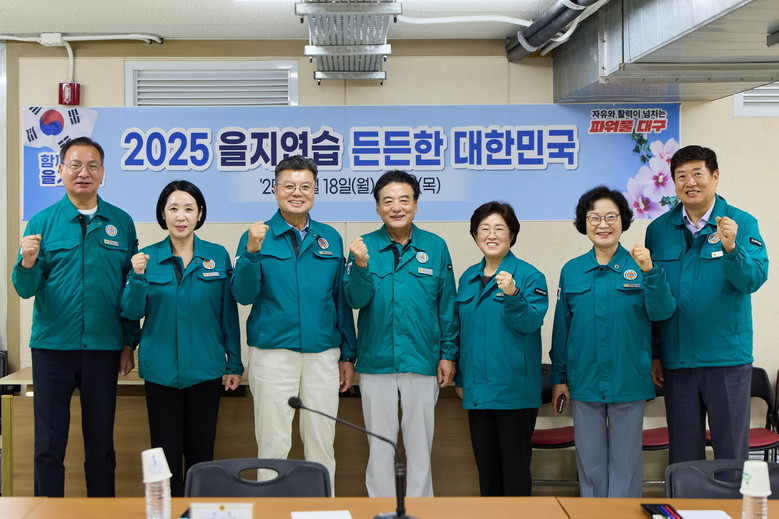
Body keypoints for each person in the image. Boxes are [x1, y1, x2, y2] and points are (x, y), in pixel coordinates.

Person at [12, 136, 137, 497]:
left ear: (103, 173)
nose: (84, 173)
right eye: (76, 165)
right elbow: (25, 288)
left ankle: (101, 511)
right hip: (53, 348)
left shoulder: (121, 222)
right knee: (49, 444)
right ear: (61, 170)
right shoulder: (43, 222)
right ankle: (47, 512)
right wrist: (28, 262)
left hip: (103, 347)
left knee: (101, 444)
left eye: (92, 165)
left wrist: (128, 343)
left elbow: (130, 288)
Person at [231, 155, 356, 492]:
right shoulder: (257, 235)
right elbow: (243, 294)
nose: (297, 193)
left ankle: (323, 511)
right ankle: (271, 511)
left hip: (323, 354)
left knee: (321, 443)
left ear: (315, 190)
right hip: (273, 354)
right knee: (273, 445)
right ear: (275, 190)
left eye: (305, 186)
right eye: (289, 186)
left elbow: (340, 300)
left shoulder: (330, 238)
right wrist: (251, 252)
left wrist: (348, 354)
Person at [550, 186, 676, 497]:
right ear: (584, 222)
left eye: (611, 217)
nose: (603, 224)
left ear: (623, 220)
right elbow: (562, 328)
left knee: (626, 463)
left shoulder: (641, 265)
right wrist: (559, 378)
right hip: (584, 379)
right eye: (594, 217)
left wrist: (650, 272)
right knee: (590, 463)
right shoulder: (572, 271)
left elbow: (662, 313)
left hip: (628, 377)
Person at [646, 145, 768, 464]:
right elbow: (654, 296)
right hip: (677, 361)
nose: (690, 182)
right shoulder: (658, 230)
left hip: (726, 359)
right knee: (684, 456)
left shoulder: (741, 223)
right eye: (681, 176)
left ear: (715, 176)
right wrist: (656, 352)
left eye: (698, 174)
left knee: (731, 453)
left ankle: (731, 500)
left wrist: (732, 249)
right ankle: (687, 500)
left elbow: (753, 280)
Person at [120, 180, 243, 496]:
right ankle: (168, 513)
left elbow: (227, 314)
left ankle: (199, 512)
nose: (180, 216)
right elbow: (131, 312)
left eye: (188, 208)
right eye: (173, 208)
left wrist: (234, 362)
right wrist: (136, 277)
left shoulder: (216, 256)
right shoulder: (145, 258)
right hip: (161, 372)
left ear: (199, 213)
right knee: (164, 457)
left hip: (205, 369)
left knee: (202, 457)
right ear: (162, 214)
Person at [344, 170, 457, 498]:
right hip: (376, 361)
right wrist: (361, 266)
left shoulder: (435, 247)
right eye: (388, 201)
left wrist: (448, 353)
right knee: (380, 446)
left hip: (422, 360)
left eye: (404, 200)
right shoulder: (363, 247)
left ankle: (421, 510)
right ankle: (381, 508)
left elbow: (446, 305)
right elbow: (355, 300)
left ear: (416, 205)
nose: (397, 207)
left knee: (420, 447)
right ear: (377, 208)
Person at [454, 201, 548, 496]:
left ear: (512, 234)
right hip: (477, 391)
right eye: (484, 229)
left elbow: (530, 322)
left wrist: (513, 294)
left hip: (514, 392)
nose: (491, 235)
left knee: (515, 474)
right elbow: (461, 332)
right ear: (475, 235)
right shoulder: (468, 278)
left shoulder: (530, 276)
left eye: (499, 228)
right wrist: (461, 379)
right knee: (488, 474)